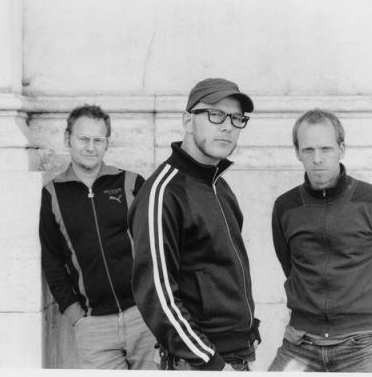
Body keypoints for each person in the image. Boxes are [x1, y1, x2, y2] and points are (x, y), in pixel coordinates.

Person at [128, 78, 261, 371]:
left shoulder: (219, 186)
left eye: (237, 118)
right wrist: (211, 362)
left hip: (238, 354)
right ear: (188, 120)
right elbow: (157, 296)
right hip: (201, 363)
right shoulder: (163, 193)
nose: (227, 126)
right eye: (215, 114)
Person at [269, 108, 372, 372]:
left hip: (362, 344)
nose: (317, 159)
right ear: (297, 152)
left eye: (326, 149)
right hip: (300, 342)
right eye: (308, 150)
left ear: (341, 149)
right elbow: (290, 267)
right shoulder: (285, 206)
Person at [39, 104, 156, 369]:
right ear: (67, 139)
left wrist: (155, 301)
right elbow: (52, 261)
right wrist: (76, 315)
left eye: (98, 140)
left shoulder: (131, 183)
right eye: (83, 138)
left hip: (144, 317)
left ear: (107, 143)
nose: (90, 147)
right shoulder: (53, 194)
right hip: (94, 328)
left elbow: (158, 244)